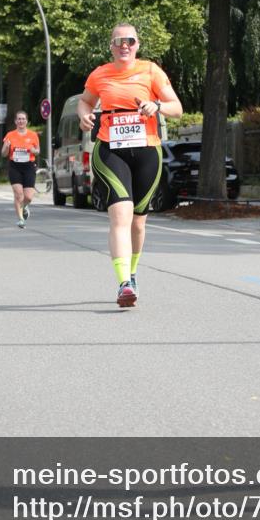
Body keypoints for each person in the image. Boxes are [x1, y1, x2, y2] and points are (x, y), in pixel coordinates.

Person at [77, 23, 183, 307]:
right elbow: (85, 102)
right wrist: (84, 116)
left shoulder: (151, 71)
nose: (125, 46)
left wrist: (156, 106)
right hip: (111, 150)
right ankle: (124, 283)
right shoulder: (100, 74)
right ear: (111, 46)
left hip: (147, 149)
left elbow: (177, 108)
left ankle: (132, 273)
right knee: (121, 215)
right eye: (119, 41)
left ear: (137, 44)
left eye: (130, 41)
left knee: (138, 221)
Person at [1, 111, 40, 228]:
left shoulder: (33, 135)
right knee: (18, 195)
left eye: (23, 119)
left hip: (29, 166)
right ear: (15, 121)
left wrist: (34, 151)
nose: (21, 121)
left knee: (28, 197)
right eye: (19, 119)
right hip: (15, 166)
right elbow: (3, 154)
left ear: (26, 121)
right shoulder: (10, 135)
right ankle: (20, 219)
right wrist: (6, 147)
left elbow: (38, 151)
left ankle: (24, 206)